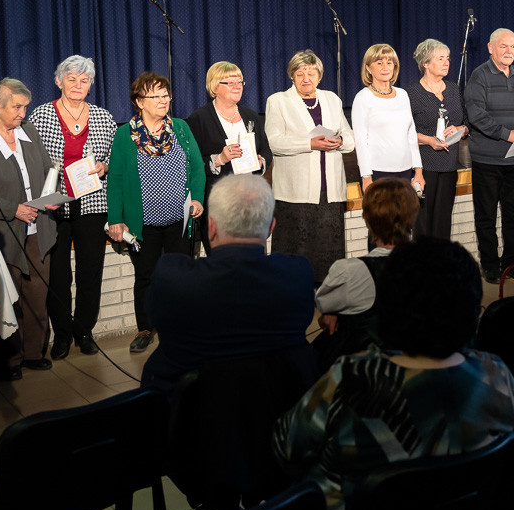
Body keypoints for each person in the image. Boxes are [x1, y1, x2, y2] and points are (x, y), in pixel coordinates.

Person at [274, 237, 514, 510]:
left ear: (389, 309)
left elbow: (285, 448)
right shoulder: (496, 376)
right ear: (472, 312)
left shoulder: (351, 379)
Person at [141, 175, 315, 396]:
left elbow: (154, 315)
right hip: (280, 407)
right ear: (271, 227)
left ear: (211, 227)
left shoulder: (172, 278)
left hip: (190, 410)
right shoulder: (297, 275)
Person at [107, 72, 206, 354]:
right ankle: (145, 328)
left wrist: (197, 199)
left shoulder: (181, 128)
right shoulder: (124, 135)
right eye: (156, 96)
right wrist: (115, 219)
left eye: (166, 95)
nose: (164, 101)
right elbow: (115, 179)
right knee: (146, 277)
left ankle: (180, 326)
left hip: (179, 220)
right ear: (139, 101)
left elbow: (197, 168)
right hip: (143, 224)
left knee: (180, 275)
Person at [0, 79, 58, 380]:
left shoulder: (29, 131)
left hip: (38, 230)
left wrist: (51, 195)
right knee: (8, 299)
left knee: (37, 296)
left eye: (25, 107)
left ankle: (34, 354)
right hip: (4, 235)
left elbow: (48, 168)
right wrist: (13, 209)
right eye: (17, 107)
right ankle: (9, 360)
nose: (23, 113)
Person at [29, 54, 115, 360]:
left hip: (92, 203)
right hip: (54, 204)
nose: (78, 85)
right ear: (58, 81)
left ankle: (84, 331)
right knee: (59, 275)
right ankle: (62, 334)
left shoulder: (104, 117)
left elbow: (113, 158)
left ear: (91, 84)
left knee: (90, 271)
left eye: (84, 80)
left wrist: (104, 166)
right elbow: (30, 159)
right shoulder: (40, 115)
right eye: (71, 79)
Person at [265, 50, 356, 283]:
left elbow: (350, 139)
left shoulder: (332, 99)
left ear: (320, 75)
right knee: (294, 256)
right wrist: (310, 144)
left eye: (311, 73)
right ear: (291, 76)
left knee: (329, 257)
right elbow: (275, 143)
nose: (306, 78)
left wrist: (340, 141)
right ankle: (290, 295)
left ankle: (327, 296)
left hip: (330, 193)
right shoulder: (278, 101)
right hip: (294, 195)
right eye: (300, 74)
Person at [313, 177, 418, 369]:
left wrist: (334, 311)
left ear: (368, 220)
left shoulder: (350, 273)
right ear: (412, 215)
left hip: (368, 371)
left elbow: (324, 302)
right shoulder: (437, 266)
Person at [464, 29, 514, 282]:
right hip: (487, 160)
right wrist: (508, 135)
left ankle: (512, 264)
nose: (509, 51)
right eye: (503, 46)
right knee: (486, 216)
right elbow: (476, 115)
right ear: (490, 48)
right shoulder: (479, 76)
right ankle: (490, 265)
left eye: (513, 46)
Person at [186, 61, 272, 248]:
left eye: (240, 82)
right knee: (222, 258)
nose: (237, 86)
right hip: (219, 202)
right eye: (230, 82)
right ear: (214, 86)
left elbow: (266, 150)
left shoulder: (251, 116)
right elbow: (189, 164)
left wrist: (261, 160)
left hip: (251, 199)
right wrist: (219, 159)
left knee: (253, 257)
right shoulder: (198, 119)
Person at [406, 38, 467, 240]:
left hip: (449, 166)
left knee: (443, 223)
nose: (446, 62)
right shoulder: (411, 93)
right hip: (424, 167)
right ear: (425, 63)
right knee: (422, 223)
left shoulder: (453, 89)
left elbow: (467, 124)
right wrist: (428, 139)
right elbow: (404, 132)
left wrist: (460, 129)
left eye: (447, 58)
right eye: (440, 59)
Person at [352, 43, 425, 197]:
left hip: (405, 171)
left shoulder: (403, 94)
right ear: (368, 68)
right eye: (379, 63)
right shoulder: (363, 97)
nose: (385, 67)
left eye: (389, 62)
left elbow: (411, 136)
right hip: (377, 172)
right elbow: (360, 141)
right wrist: (366, 177)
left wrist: (418, 171)